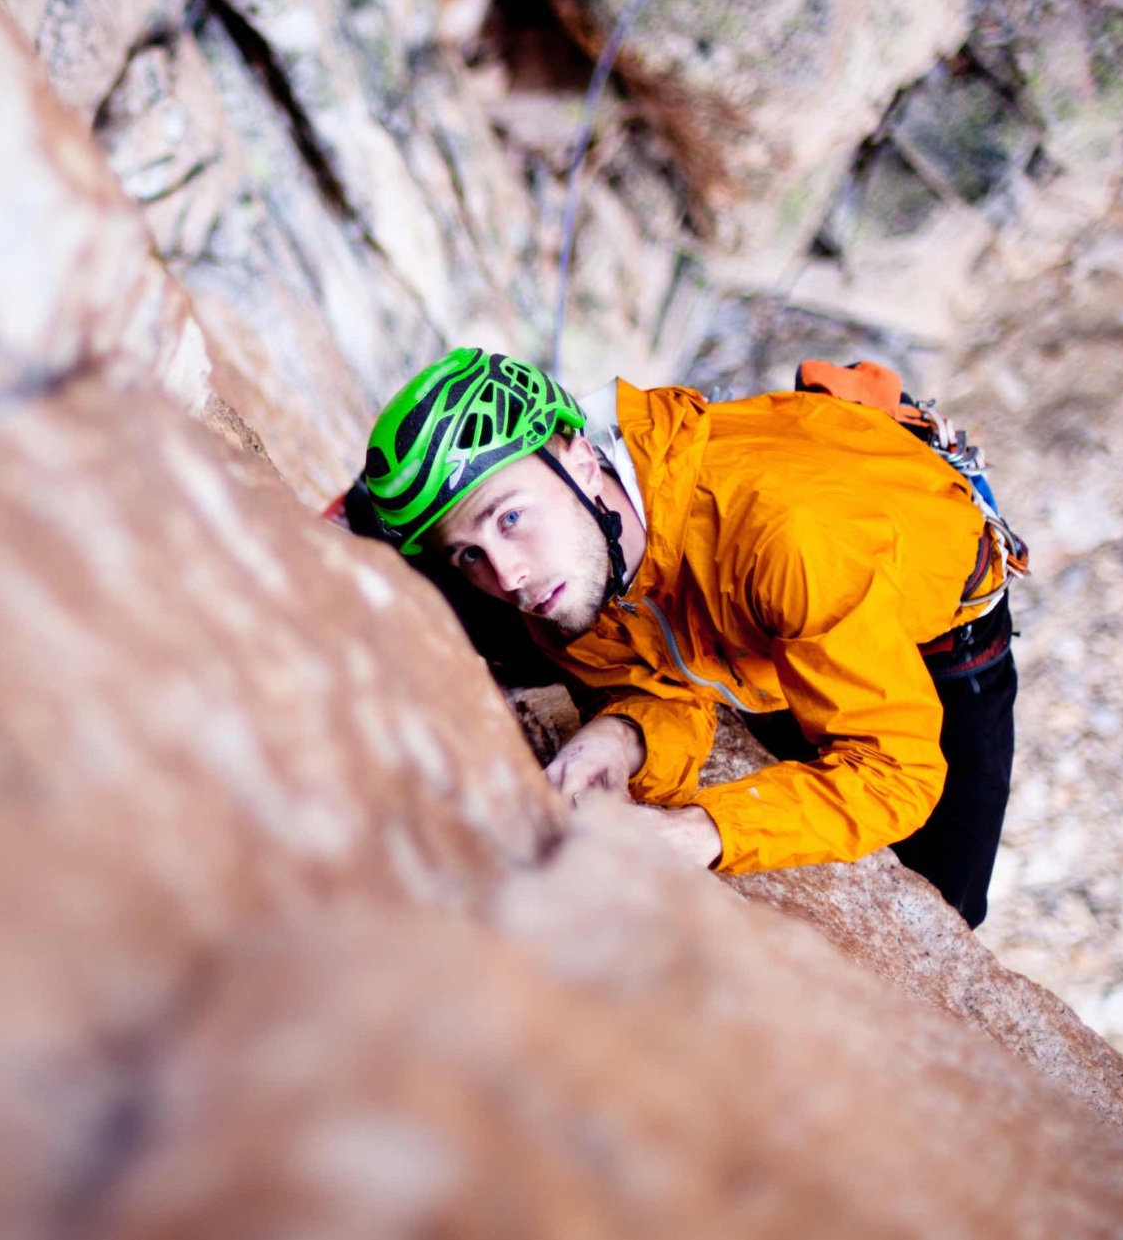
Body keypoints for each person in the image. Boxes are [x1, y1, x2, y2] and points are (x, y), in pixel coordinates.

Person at [354, 348, 1018, 927]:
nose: (508, 573)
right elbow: (674, 675)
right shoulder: (573, 562)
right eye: (469, 553)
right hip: (767, 619)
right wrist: (621, 739)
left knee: (946, 896)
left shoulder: (789, 545)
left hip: (937, 633)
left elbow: (895, 773)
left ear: (583, 461)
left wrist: (701, 828)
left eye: (511, 517)